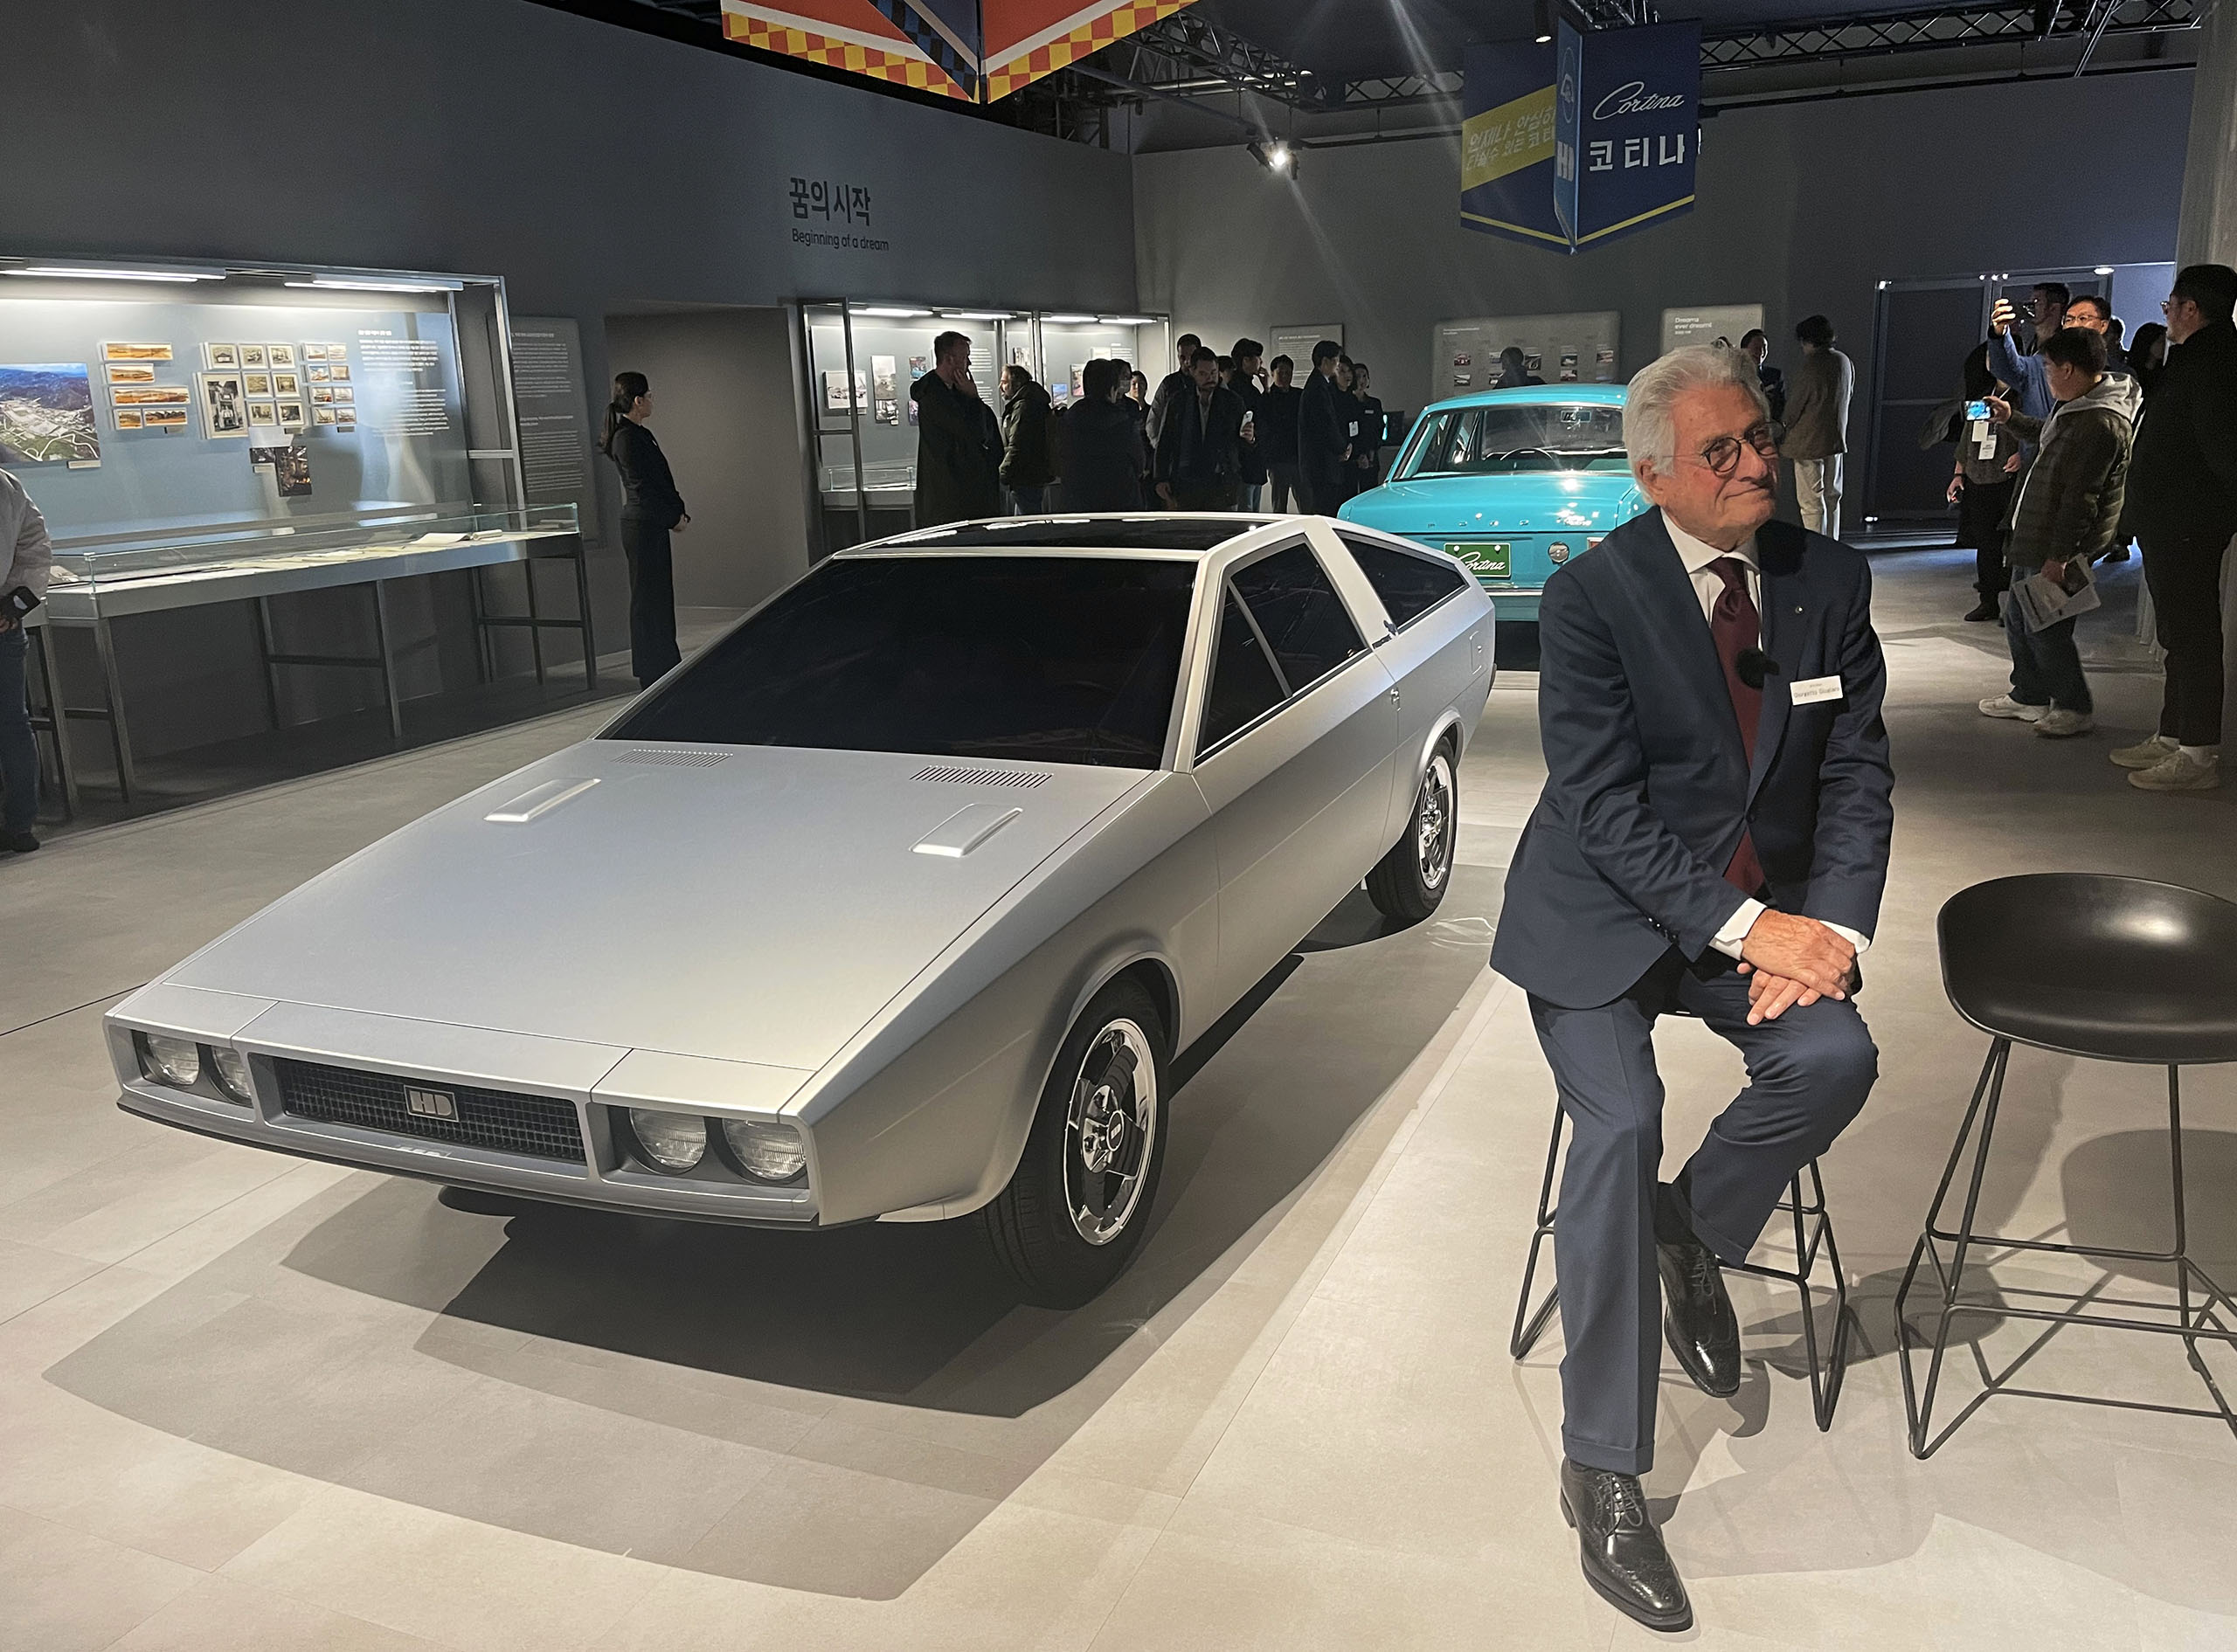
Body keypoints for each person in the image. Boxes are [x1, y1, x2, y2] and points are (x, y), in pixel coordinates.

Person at [1490, 344, 1890, 1635]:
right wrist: (1753, 924)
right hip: (1605, 918)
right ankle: (1604, 1463)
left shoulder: (1827, 578)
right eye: (1722, 450)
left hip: (1753, 914)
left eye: (1760, 436)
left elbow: (1856, 770)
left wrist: (1823, 925)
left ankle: (1689, 1229)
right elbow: (1601, 810)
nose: (1757, 462)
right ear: (1653, 472)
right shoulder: (1592, 598)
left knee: (1836, 1059)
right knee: (1617, 1123)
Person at [1976, 326, 2137, 738]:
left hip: (2056, 542)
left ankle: (2072, 705)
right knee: (2019, 616)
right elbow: (2048, 436)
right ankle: (2028, 694)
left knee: (2046, 626)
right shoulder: (2079, 408)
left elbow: (2080, 497)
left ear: (2067, 368)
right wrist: (2012, 419)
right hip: (2038, 532)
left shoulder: (2099, 423)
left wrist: (2061, 555)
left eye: (2048, 368)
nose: (2045, 376)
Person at [2118, 262, 2237, 792]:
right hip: (2176, 520)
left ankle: (2197, 752)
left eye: (2171, 303)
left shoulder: (2213, 362)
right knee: (2177, 632)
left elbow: (2221, 449)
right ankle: (2174, 733)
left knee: (2191, 634)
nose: (2166, 311)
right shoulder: (2198, 358)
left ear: (2191, 308)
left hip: (2189, 521)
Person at [600, 371, 689, 688]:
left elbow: (661, 481)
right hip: (643, 526)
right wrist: (672, 518)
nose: (652, 401)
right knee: (647, 600)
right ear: (638, 401)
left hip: (651, 524)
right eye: (649, 396)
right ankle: (652, 670)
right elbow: (644, 488)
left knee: (659, 598)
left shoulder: (639, 434)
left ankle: (665, 663)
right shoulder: (626, 438)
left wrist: (677, 511)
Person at [1927, 342, 2022, 620]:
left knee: (2012, 544)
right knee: (1986, 543)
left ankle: (2015, 608)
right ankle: (1988, 600)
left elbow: (2033, 432)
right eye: (1991, 359)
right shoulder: (1983, 398)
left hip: (2008, 477)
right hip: (1979, 478)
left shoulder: (2022, 398)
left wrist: (2023, 455)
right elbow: (1968, 439)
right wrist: (1958, 474)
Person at [0, 467, 53, 854]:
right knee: (12, 725)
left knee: (11, 725)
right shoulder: (7, 483)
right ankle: (20, 826)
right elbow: (35, 545)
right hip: (4, 622)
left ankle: (18, 823)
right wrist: (15, 603)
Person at [910, 330, 1003, 529]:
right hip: (950, 495)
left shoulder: (955, 393)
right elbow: (973, 432)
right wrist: (974, 398)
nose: (968, 364)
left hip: (965, 492)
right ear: (949, 359)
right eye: (965, 357)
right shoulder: (934, 396)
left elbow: (986, 430)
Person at [1783, 315, 1853, 536]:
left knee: (1811, 503)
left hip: (1808, 443)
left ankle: (1818, 550)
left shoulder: (1811, 366)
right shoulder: (1844, 361)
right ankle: (1833, 545)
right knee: (1833, 496)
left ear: (1807, 340)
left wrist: (1782, 424)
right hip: (1835, 439)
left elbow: (1794, 408)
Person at [1153, 346, 1248, 510]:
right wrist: (1160, 478)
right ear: (1192, 372)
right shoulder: (1179, 401)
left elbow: (1241, 444)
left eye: (1213, 372)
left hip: (1221, 480)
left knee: (1222, 531)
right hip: (1187, 481)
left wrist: (1250, 439)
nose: (1210, 378)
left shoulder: (1232, 401)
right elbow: (1165, 441)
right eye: (1203, 374)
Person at [1059, 357, 1145, 512]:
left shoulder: (1071, 417)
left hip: (1079, 500)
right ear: (1113, 387)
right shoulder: (1122, 420)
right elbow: (1138, 462)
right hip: (1121, 500)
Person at [1986, 282, 2073, 428]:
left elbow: (2012, 369)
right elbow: (2007, 370)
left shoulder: (2067, 351)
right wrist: (2000, 331)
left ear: (2053, 308)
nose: (2029, 306)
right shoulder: (2034, 348)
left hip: (2057, 435)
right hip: (2036, 439)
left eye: (2036, 302)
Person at [1298, 339, 1350, 513]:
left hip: (1319, 462)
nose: (1337, 366)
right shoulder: (1318, 388)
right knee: (1324, 510)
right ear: (1325, 362)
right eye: (1335, 361)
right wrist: (1342, 448)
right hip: (1321, 464)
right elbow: (1325, 425)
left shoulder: (1319, 385)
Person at [997, 364, 1056, 515]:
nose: (1000, 387)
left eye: (1004, 382)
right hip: (1029, 475)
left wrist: (1003, 474)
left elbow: (1018, 445)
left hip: (1025, 476)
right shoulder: (1029, 403)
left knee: (1027, 525)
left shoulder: (1024, 407)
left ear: (1015, 384)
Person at [1228, 338, 1269, 511]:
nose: (1261, 362)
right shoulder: (1241, 391)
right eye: (1258, 358)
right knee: (1248, 511)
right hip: (1246, 461)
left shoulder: (1243, 388)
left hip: (1250, 461)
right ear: (1246, 360)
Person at [1145, 332, 1202, 455]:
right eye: (1182, 358)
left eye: (1191, 357)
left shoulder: (1209, 382)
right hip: (1174, 451)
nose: (1187, 362)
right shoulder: (1169, 384)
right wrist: (1159, 447)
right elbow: (1153, 419)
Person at [1262, 355, 1303, 512]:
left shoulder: (1299, 395)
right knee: (1279, 505)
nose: (1285, 376)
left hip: (1297, 457)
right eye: (1281, 372)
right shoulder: (1267, 396)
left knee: (1306, 503)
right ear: (1273, 374)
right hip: (1277, 458)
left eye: (1288, 372)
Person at [2062, 294, 2127, 372]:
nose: (2075, 325)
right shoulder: (2049, 366)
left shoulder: (2121, 375)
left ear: (2103, 326)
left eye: (2083, 318)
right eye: (2069, 320)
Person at [1351, 362, 1388, 492]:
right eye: (1358, 376)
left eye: (1364, 376)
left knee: (1369, 491)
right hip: (1352, 458)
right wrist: (1359, 455)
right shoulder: (1347, 402)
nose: (1361, 380)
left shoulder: (1374, 403)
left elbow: (1379, 428)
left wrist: (1372, 451)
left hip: (1371, 456)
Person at [1741, 328, 1785, 423]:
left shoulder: (1774, 375)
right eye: (1756, 347)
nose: (1761, 352)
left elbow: (1780, 406)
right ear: (1744, 349)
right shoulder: (1735, 374)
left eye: (1764, 348)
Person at [2128, 321, 2170, 398]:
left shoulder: (2165, 376)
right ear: (2149, 341)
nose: (2165, 346)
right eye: (2161, 341)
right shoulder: (2128, 375)